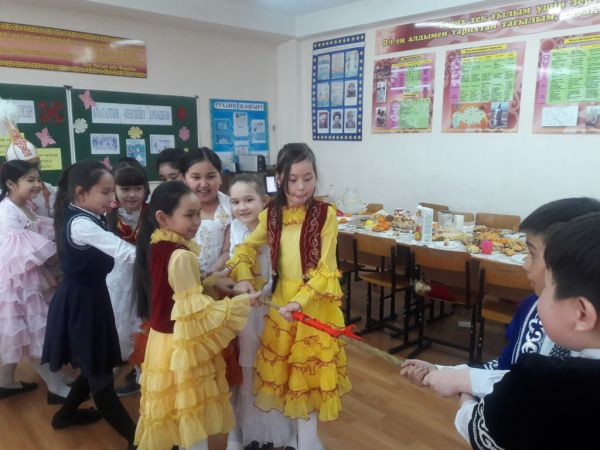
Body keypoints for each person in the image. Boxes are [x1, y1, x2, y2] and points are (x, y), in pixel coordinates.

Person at [400, 198, 600, 398]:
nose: (524, 264)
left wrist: (466, 395)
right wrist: (442, 371)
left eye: (532, 254)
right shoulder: (529, 308)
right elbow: (503, 368)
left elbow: (531, 393)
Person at [225, 143, 351, 450]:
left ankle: (306, 442)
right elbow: (246, 248)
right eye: (293, 179)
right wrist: (244, 278)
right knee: (289, 380)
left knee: (308, 380)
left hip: (313, 306)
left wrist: (300, 302)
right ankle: (298, 441)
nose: (301, 187)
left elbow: (325, 269)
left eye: (308, 178)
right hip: (281, 307)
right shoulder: (272, 214)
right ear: (279, 178)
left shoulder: (325, 215)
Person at [456, 212, 600, 449]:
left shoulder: (540, 379)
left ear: (582, 314)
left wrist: (466, 396)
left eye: (548, 288)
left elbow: (480, 432)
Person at [132, 181, 254, 450]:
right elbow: (197, 312)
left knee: (175, 410)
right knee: (192, 411)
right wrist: (243, 302)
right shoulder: (181, 255)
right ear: (163, 218)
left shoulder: (157, 245)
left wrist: (210, 282)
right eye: (189, 215)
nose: (197, 221)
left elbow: (175, 291)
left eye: (198, 213)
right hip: (182, 345)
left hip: (161, 343)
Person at [41, 160, 137, 449]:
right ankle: (139, 440)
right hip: (81, 303)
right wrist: (168, 256)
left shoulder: (87, 214)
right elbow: (124, 251)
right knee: (101, 380)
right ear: (81, 193)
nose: (112, 198)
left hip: (92, 297)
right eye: (105, 192)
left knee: (94, 362)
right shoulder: (81, 223)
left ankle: (65, 415)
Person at [224, 175, 294, 450]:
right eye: (235, 201)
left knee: (272, 365)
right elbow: (234, 263)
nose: (241, 207)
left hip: (272, 309)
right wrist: (235, 282)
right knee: (248, 367)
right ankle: (251, 432)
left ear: (264, 200)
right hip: (245, 311)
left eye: (248, 200)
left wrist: (262, 291)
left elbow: (281, 271)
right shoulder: (234, 228)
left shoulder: (275, 230)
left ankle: (277, 433)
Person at [0, 160, 70, 403]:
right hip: (19, 284)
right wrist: (60, 256)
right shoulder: (7, 211)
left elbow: (39, 231)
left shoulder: (24, 206)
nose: (37, 185)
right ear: (11, 184)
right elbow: (24, 250)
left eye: (37, 179)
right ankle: (56, 386)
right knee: (35, 333)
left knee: (24, 333)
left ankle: (6, 381)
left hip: (29, 277)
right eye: (30, 180)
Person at [106, 162, 150, 397]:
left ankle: (144, 374)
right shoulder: (108, 214)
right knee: (118, 321)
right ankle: (118, 365)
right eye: (125, 189)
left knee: (143, 323)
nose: (132, 194)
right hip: (118, 278)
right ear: (114, 190)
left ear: (145, 189)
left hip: (146, 277)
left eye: (137, 188)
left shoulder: (152, 213)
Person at [182, 147, 232, 275]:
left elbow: (228, 251)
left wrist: (210, 274)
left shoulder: (231, 207)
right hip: (185, 276)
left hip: (220, 276)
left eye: (210, 176)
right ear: (184, 179)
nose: (204, 184)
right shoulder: (176, 209)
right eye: (196, 177)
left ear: (220, 177)